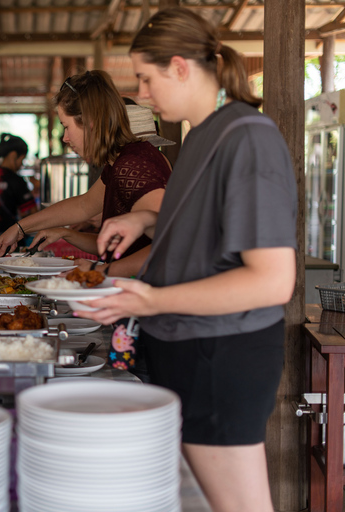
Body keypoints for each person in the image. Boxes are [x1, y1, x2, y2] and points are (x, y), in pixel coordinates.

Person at [81, 8, 297, 512]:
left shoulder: (248, 136)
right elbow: (211, 224)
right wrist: (145, 222)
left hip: (222, 353)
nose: (142, 93)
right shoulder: (200, 134)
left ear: (181, 67)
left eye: (146, 78)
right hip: (191, 347)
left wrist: (153, 298)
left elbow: (271, 280)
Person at [0, 71, 172, 279]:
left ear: (90, 122)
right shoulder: (120, 160)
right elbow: (85, 205)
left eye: (67, 127)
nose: (65, 138)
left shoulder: (133, 165)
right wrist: (20, 228)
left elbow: (168, 245)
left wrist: (99, 271)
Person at [0, 133, 37, 235]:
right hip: (11, 242)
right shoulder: (17, 181)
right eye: (22, 159)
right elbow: (33, 213)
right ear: (13, 155)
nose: (22, 164)